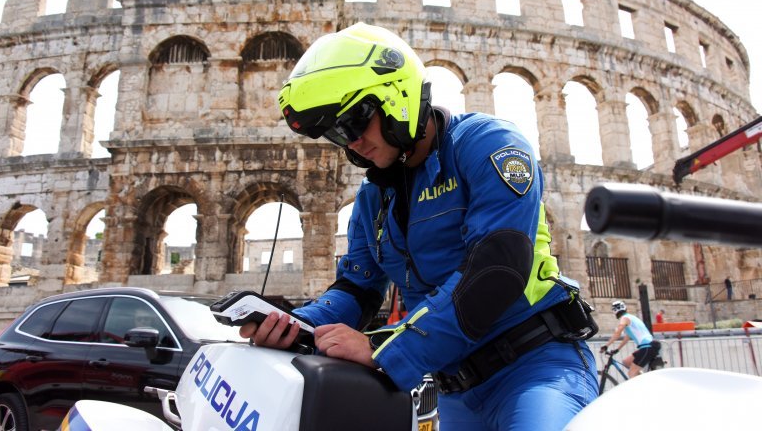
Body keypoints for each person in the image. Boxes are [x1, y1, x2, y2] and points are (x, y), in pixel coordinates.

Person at [241, 23, 599, 430]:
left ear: (398, 97)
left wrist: (383, 346)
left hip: (536, 369)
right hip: (454, 391)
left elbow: (497, 270)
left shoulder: (488, 144)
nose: (351, 142)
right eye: (337, 133)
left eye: (355, 122)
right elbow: (357, 288)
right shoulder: (372, 197)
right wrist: (296, 325)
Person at [600, 300, 661, 378]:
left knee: (631, 373)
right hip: (649, 346)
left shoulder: (624, 318)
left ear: (614, 311)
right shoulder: (631, 317)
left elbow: (617, 333)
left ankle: (642, 388)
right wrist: (617, 349)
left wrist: (606, 345)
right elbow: (628, 337)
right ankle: (643, 379)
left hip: (647, 347)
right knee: (626, 362)